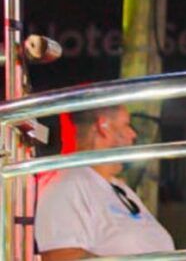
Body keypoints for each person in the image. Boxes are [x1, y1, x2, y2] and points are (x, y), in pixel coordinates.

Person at [35, 105, 175, 259]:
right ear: (103, 126)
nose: (133, 134)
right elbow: (61, 256)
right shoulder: (68, 184)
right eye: (126, 125)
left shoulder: (120, 189)